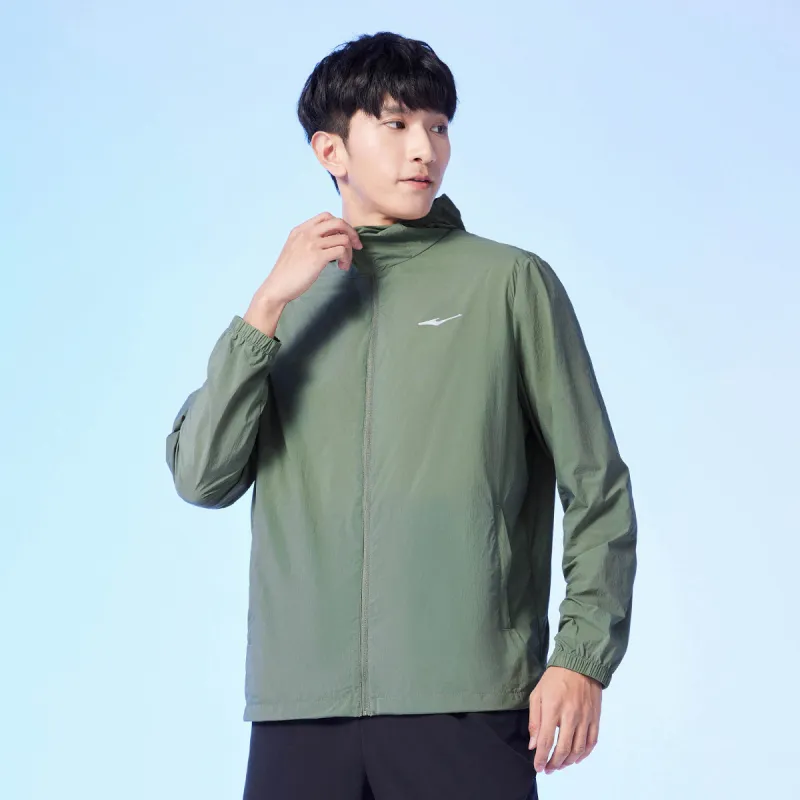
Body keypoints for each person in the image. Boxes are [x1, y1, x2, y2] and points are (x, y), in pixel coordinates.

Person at [166, 30, 638, 800]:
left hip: (465, 699)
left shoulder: (509, 283)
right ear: (331, 149)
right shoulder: (286, 308)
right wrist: (267, 304)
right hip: (300, 709)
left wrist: (581, 657)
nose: (425, 148)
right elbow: (201, 478)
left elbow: (598, 487)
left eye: (439, 126)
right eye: (396, 124)